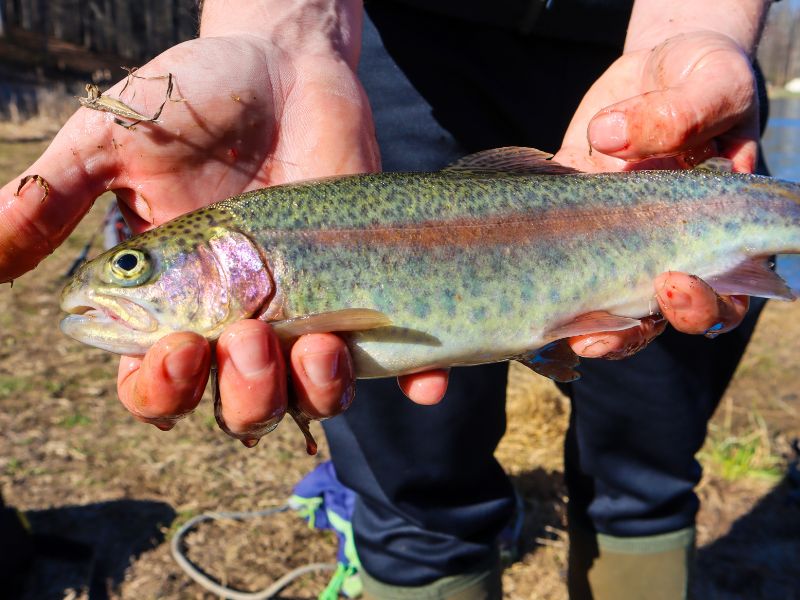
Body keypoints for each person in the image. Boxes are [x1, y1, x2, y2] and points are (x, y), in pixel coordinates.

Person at [0, 0, 772, 598]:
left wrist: (700, 25)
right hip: (390, 53)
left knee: (649, 462)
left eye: (134, 266)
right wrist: (278, 34)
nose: (119, 279)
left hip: (653, 61)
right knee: (415, 494)